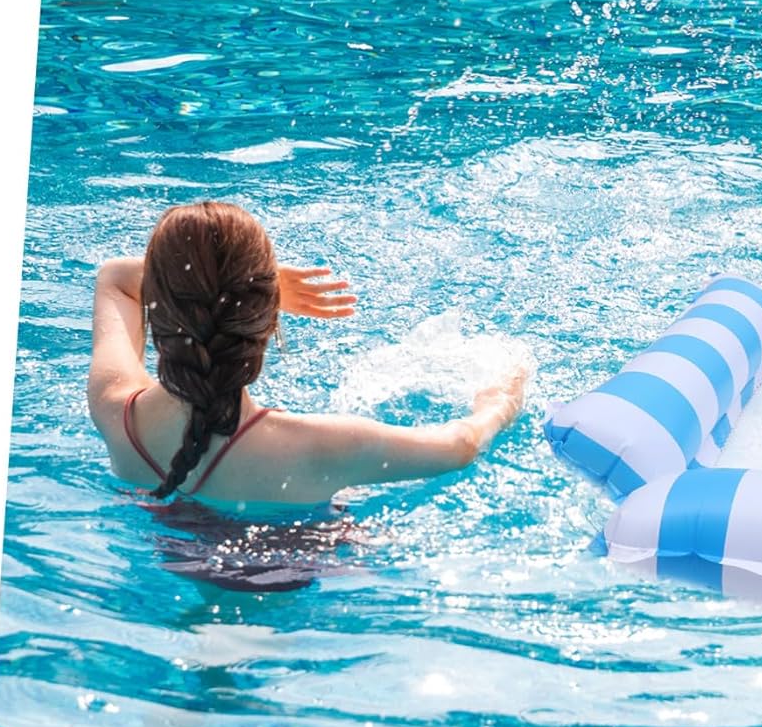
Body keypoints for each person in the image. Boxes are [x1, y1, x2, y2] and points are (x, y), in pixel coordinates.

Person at [88, 200, 529, 507]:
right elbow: (459, 447)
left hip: (169, 561)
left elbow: (114, 278)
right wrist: (498, 406)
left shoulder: (116, 412)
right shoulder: (319, 445)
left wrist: (249, 284)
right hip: (297, 575)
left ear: (157, 306)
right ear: (266, 316)